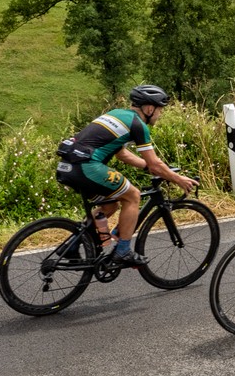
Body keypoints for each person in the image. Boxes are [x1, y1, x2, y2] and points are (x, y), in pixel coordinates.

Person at [55, 84, 198, 266]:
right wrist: (177, 179)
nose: (160, 115)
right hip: (87, 166)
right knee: (133, 196)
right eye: (160, 110)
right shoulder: (138, 125)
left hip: (68, 166)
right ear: (149, 108)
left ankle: (72, 246)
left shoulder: (118, 114)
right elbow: (155, 163)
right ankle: (122, 251)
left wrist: (157, 169)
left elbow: (121, 154)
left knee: (111, 205)